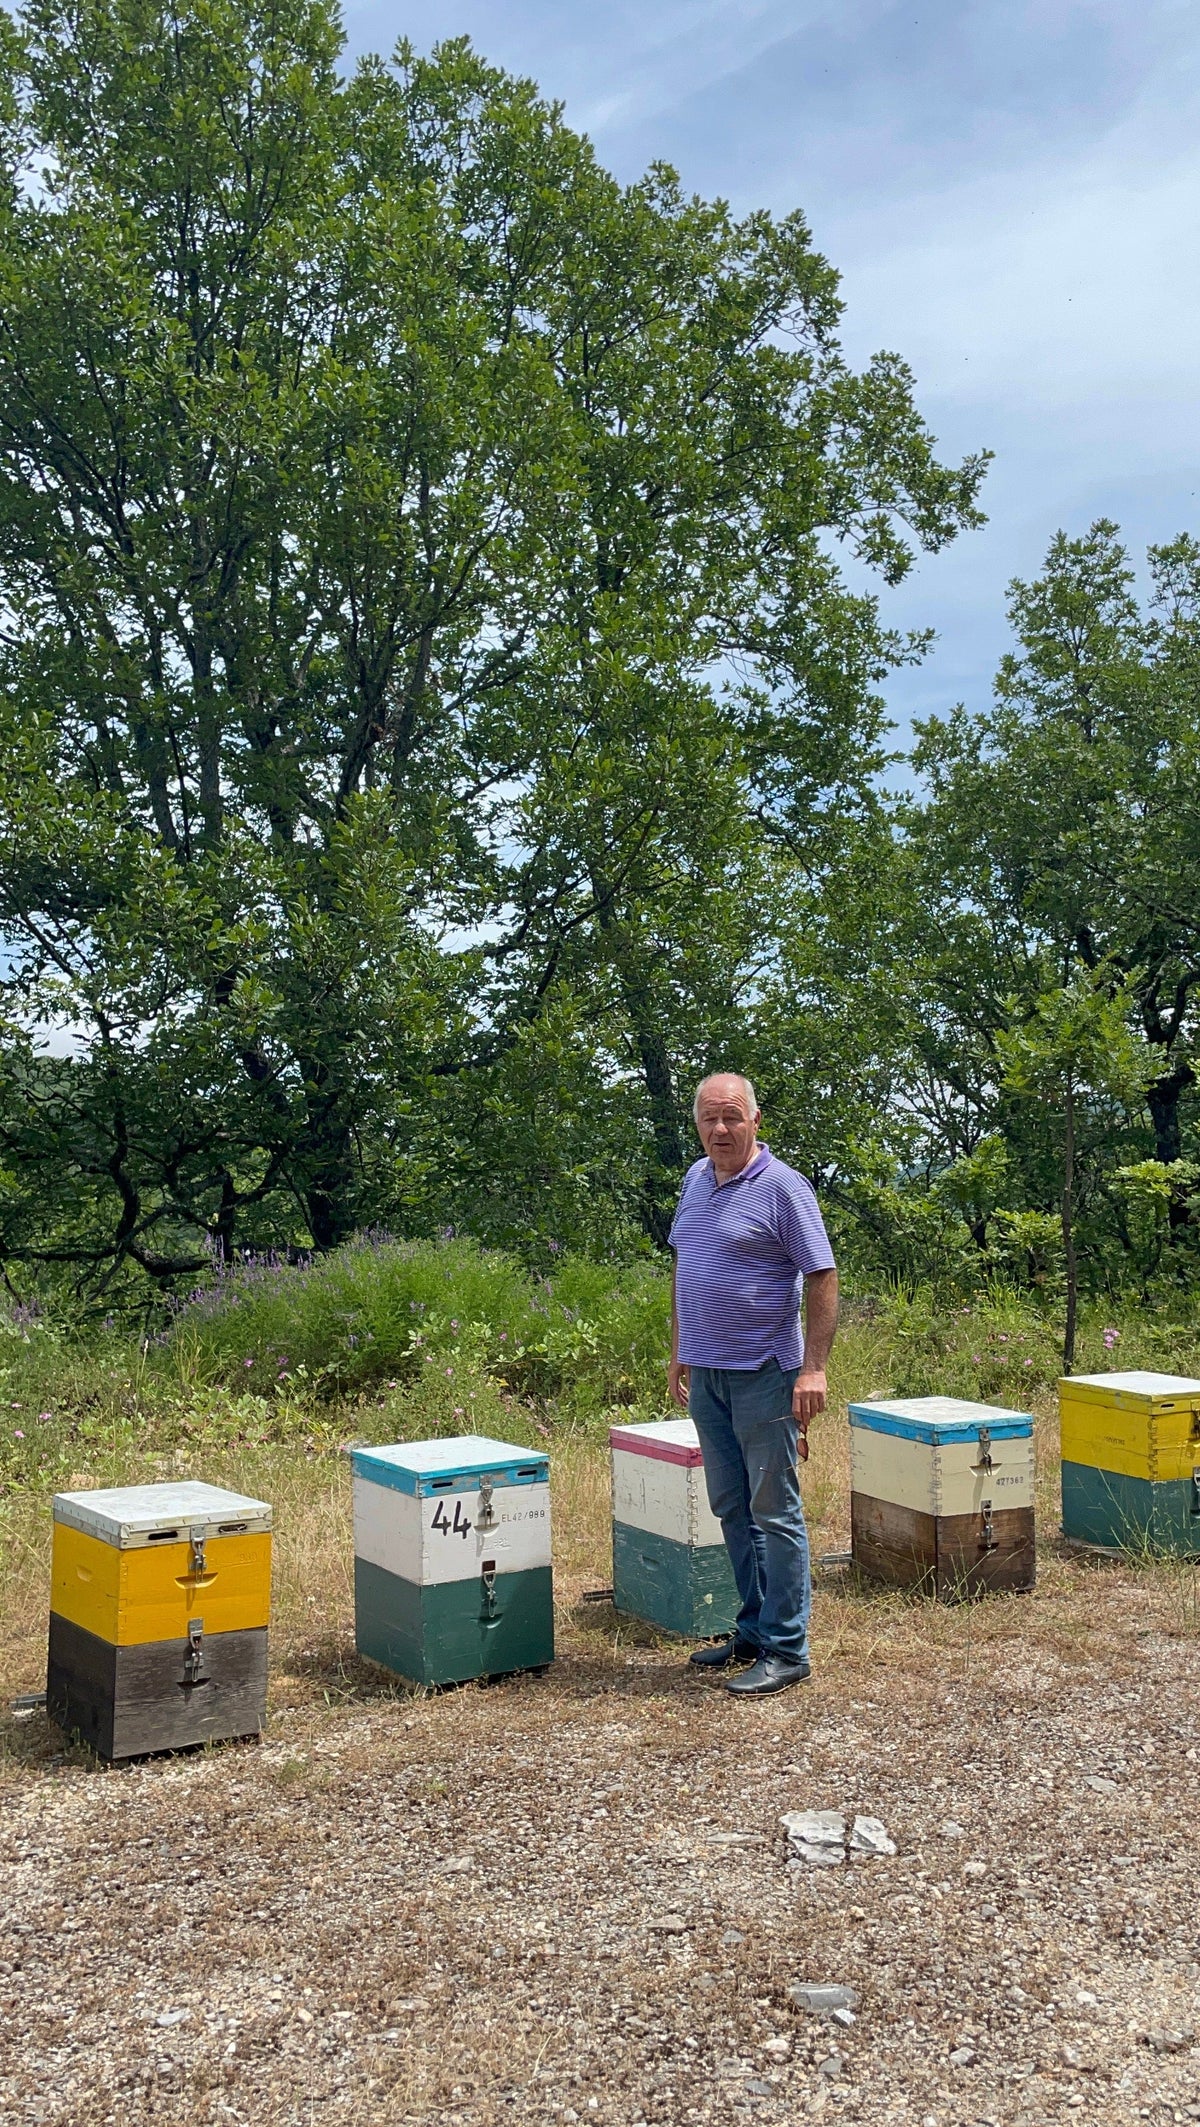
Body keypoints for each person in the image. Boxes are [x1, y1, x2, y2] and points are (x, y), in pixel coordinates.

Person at [667, 1072, 838, 1696]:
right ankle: (755, 1629)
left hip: (766, 1374)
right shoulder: (694, 1180)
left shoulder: (785, 1189)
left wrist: (813, 1369)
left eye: (732, 1117)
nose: (721, 1129)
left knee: (775, 1512)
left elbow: (822, 1277)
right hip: (707, 1374)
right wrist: (680, 1347)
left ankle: (789, 1648)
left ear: (755, 1121)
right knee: (731, 1507)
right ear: (697, 1124)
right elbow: (687, 1264)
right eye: (710, 1118)